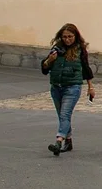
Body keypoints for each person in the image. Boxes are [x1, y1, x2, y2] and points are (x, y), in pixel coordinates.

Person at [41, 23, 95, 155]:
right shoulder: (56, 49)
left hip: (72, 87)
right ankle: (68, 141)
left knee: (65, 114)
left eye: (70, 36)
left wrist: (90, 86)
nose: (67, 39)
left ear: (76, 36)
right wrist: (49, 60)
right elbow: (44, 69)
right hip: (56, 86)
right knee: (62, 116)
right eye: (64, 37)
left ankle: (59, 141)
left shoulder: (80, 49)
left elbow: (86, 68)